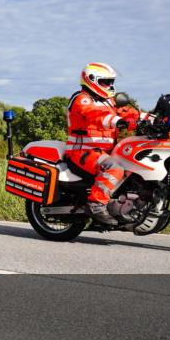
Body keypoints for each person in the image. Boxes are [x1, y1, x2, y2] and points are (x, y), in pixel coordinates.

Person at [65, 63, 149, 225]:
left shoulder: (109, 101)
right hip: (82, 152)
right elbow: (94, 114)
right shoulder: (81, 99)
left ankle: (128, 206)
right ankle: (96, 204)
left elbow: (130, 113)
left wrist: (154, 118)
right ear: (91, 80)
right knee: (114, 168)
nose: (110, 86)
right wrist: (119, 122)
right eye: (105, 82)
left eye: (111, 82)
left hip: (106, 152)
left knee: (135, 166)